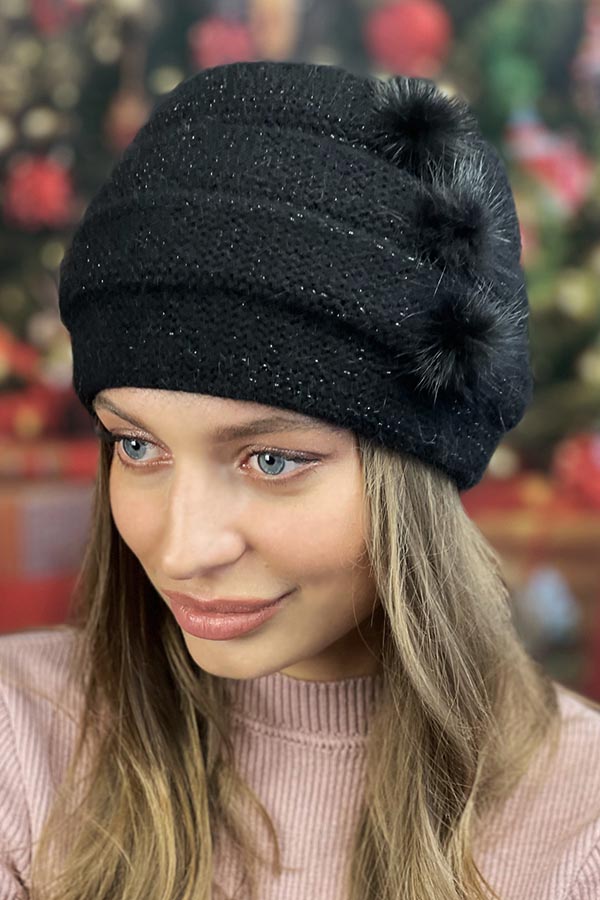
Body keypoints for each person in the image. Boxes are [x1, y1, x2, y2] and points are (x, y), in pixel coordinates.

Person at [1, 60, 599, 900]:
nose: (183, 549)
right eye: (136, 447)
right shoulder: (20, 741)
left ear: (416, 476)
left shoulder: (581, 832)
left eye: (272, 460)